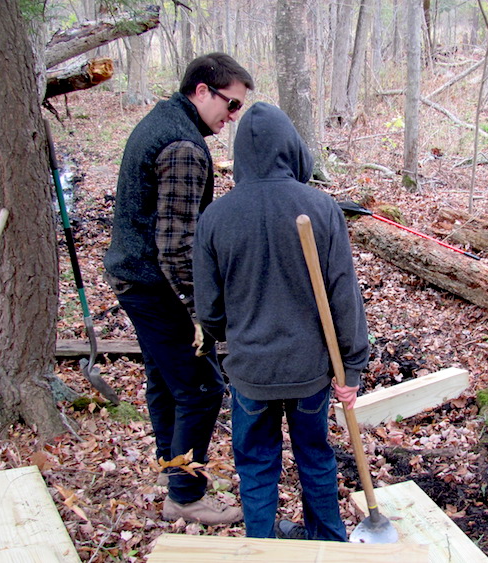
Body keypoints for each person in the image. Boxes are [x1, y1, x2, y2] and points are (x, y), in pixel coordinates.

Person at [193, 102, 370, 541]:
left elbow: (209, 310)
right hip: (307, 369)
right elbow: (344, 296)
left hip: (251, 370)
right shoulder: (321, 206)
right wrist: (351, 366)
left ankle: (264, 545)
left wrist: (230, 334)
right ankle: (328, 540)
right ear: (291, 148)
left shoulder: (214, 218)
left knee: (256, 463)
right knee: (314, 455)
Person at [103, 53, 253, 525]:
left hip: (137, 278)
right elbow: (177, 247)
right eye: (230, 105)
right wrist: (200, 312)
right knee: (203, 387)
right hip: (156, 286)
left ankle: (173, 474)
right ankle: (186, 495)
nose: (232, 118)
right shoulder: (184, 146)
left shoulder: (163, 120)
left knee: (166, 383)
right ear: (202, 90)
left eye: (239, 111)